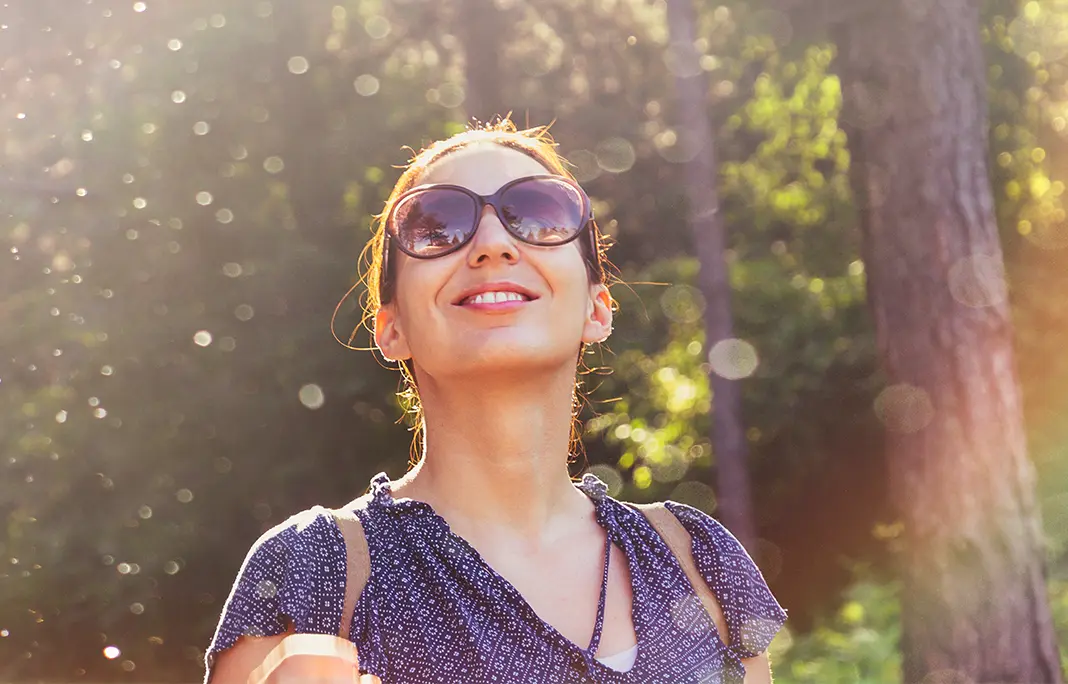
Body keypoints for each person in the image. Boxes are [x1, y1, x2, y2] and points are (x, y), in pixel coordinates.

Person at [203, 119, 787, 683]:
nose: (491, 245)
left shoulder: (700, 560)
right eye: (436, 227)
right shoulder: (315, 571)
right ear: (391, 327)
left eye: (537, 215)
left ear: (597, 307)